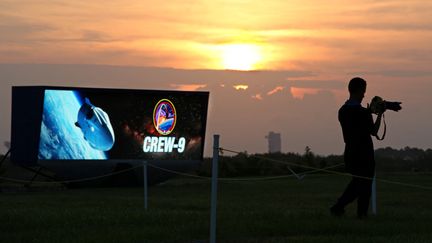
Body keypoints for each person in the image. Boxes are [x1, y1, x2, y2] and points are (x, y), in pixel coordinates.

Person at [330, 77, 384, 219]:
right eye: (363, 91)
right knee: (364, 186)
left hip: (350, 153)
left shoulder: (342, 111)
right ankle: (359, 214)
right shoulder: (362, 113)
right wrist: (379, 114)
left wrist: (369, 112)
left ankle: (339, 207)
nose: (364, 95)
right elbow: (373, 131)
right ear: (359, 91)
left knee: (357, 183)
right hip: (364, 154)